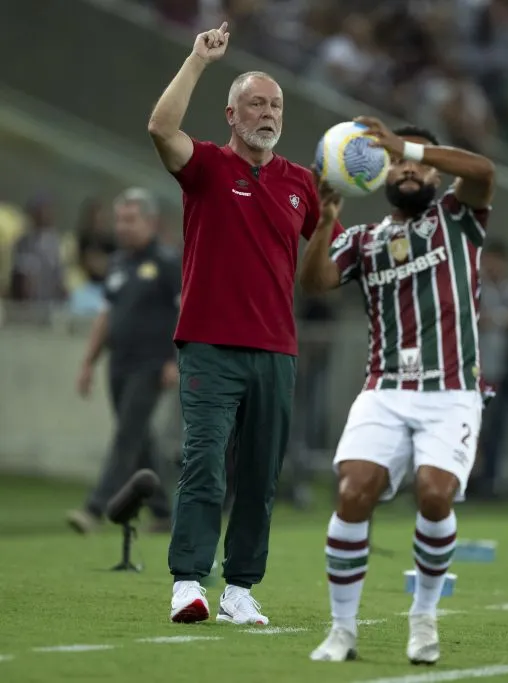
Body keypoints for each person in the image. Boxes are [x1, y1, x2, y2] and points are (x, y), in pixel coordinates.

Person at [147, 23, 342, 625]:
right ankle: (187, 582)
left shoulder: (300, 184)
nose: (267, 111)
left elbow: (320, 276)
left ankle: (239, 589)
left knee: (260, 476)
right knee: (203, 463)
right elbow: (160, 127)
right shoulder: (205, 165)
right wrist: (199, 59)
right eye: (256, 103)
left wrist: (331, 218)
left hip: (276, 350)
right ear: (232, 114)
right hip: (208, 343)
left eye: (275, 104)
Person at [298, 118, 496, 665]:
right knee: (352, 492)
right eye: (401, 165)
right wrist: (324, 226)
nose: (409, 170)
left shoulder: (460, 219)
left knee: (434, 493)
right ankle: (342, 630)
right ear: (382, 175)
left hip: (452, 389)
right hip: (384, 388)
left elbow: (483, 170)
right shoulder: (364, 240)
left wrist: (409, 145)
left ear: (434, 173)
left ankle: (424, 615)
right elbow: (314, 284)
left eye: (420, 165)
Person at [67, 188, 180, 534]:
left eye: (130, 220)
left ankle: (94, 509)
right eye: (120, 220)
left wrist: (174, 359)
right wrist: (88, 362)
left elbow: (185, 311)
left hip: (151, 364)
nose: (123, 227)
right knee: (141, 438)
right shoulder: (117, 262)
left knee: (126, 437)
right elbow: (106, 314)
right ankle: (165, 512)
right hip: (119, 363)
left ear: (150, 222)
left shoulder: (167, 261)